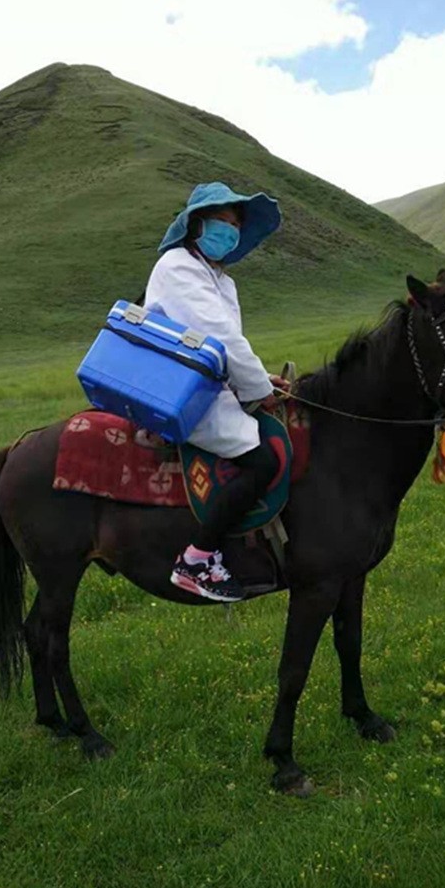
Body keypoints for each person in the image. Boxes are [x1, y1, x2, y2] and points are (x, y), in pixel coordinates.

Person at [144, 181, 287, 603]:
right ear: (196, 224)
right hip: (179, 387)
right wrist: (258, 388)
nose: (229, 230)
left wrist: (260, 379)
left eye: (235, 224)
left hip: (203, 382)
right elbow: (219, 336)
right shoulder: (177, 266)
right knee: (262, 460)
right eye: (220, 220)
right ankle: (198, 558)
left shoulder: (221, 280)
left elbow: (223, 348)